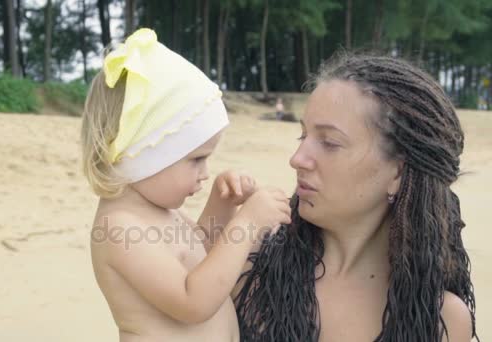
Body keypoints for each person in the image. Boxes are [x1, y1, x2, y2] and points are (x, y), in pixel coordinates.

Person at [234, 53, 478, 341]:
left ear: (398, 173)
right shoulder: (247, 268)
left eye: (329, 142)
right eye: (303, 137)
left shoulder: (439, 322)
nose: (297, 158)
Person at [82, 28, 291, 341]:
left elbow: (203, 258)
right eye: (196, 159)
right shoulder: (118, 228)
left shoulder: (159, 210)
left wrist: (223, 203)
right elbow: (192, 301)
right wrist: (246, 223)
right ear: (146, 155)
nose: (205, 172)